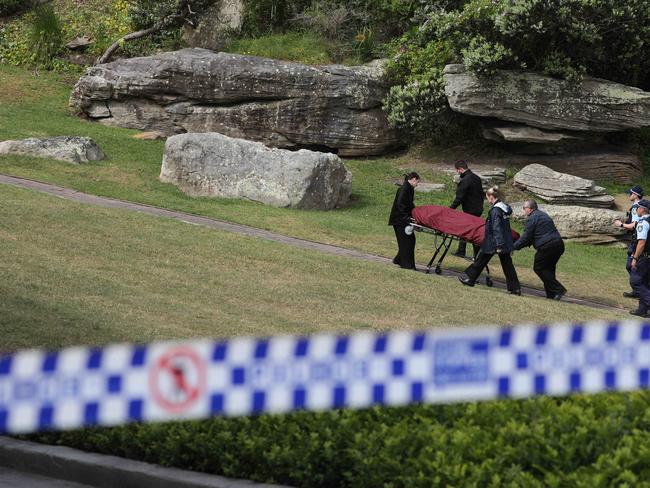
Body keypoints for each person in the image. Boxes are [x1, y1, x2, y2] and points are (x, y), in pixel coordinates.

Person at [458, 186, 521, 294]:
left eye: (487, 197)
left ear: (491, 197)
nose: (487, 200)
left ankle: (469, 278)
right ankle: (515, 288)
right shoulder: (504, 208)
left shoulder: (496, 211)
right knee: (507, 265)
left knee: (481, 260)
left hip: (494, 242)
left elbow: (496, 228)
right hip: (504, 241)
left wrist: (499, 245)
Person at [513, 200, 567, 300]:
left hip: (547, 246)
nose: (523, 210)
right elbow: (533, 236)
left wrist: (513, 247)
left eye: (524, 208)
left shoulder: (532, 218)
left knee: (539, 268)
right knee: (549, 269)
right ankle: (551, 295)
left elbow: (526, 238)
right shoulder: (543, 215)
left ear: (530, 209)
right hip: (558, 245)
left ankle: (558, 289)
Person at [614, 185, 644, 298]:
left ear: (635, 195)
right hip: (637, 239)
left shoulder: (637, 207)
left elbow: (634, 225)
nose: (629, 195)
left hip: (637, 240)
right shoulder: (639, 206)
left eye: (630, 193)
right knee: (632, 266)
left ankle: (640, 290)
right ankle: (638, 290)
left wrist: (621, 225)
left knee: (632, 265)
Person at [450, 160, 484, 258]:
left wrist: (451, 209)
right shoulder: (476, 178)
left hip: (470, 210)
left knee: (468, 231)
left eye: (457, 171)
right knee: (473, 230)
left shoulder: (465, 180)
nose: (457, 173)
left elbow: (459, 197)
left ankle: (468, 253)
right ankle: (466, 252)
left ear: (461, 169)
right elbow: (481, 194)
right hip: (478, 209)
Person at [388, 172, 420, 270]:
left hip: (403, 219)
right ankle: (406, 264)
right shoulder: (404, 189)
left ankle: (400, 259)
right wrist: (407, 218)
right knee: (406, 241)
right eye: (417, 182)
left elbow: (409, 204)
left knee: (409, 240)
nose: (417, 184)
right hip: (399, 220)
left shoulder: (409, 189)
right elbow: (400, 205)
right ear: (414, 179)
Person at [629, 199, 650, 317]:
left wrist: (635, 258)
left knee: (639, 281)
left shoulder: (643, 223)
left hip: (645, 258)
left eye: (638, 207)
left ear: (642, 209)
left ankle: (643, 309)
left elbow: (641, 242)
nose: (636, 209)